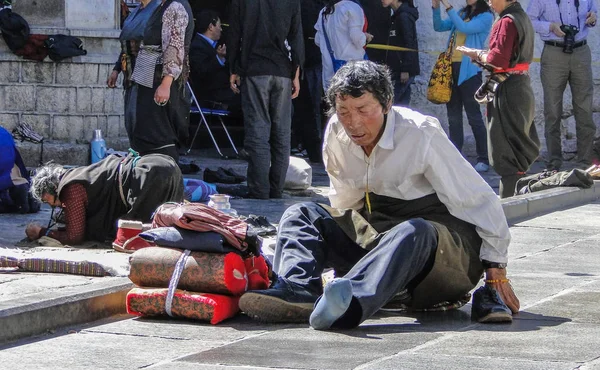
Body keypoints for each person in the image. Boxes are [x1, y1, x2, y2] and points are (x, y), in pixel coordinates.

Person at [239, 61, 519, 329]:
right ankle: (299, 290)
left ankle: (350, 304)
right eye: (344, 111)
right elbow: (345, 207)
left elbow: (478, 200)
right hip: (379, 239)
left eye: (363, 109)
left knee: (414, 231)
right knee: (301, 213)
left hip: (439, 255)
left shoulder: (420, 133)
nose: (353, 123)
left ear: (386, 105)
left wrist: (495, 271)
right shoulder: (337, 134)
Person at [457, 0, 540, 198]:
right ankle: (518, 198)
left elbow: (498, 60)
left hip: (508, 91)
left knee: (507, 146)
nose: (489, 2)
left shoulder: (507, 22)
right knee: (517, 143)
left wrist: (477, 53)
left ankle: (510, 202)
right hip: (520, 87)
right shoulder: (521, 17)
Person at [228, 0, 304, 199]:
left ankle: (259, 189)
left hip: (255, 69)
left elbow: (235, 33)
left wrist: (233, 68)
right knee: (282, 133)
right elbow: (296, 36)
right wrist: (296, 72)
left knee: (258, 132)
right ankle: (276, 188)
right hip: (282, 71)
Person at [25, 153, 184, 245]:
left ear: (50, 190)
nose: (54, 206)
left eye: (48, 201)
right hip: (165, 164)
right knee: (169, 222)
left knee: (146, 234)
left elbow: (75, 236)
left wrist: (42, 232)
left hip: (148, 177)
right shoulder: (76, 174)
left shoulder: (70, 188)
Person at [527, 0, 597, 171]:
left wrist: (593, 18)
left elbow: (594, 13)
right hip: (553, 52)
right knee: (552, 111)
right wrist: (550, 26)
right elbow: (529, 20)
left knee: (585, 110)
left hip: (581, 51)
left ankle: (585, 163)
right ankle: (554, 163)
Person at [128, 0, 194, 163]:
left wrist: (166, 83)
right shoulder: (149, 10)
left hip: (162, 81)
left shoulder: (174, 8)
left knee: (160, 135)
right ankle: (144, 177)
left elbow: (175, 47)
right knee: (144, 133)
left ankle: (164, 178)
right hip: (145, 78)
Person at [432, 0, 493, 172]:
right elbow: (439, 26)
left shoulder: (486, 16)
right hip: (451, 68)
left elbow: (465, 29)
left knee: (474, 116)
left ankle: (483, 158)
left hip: (470, 71)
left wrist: (448, 7)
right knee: (453, 115)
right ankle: (455, 155)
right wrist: (435, 7)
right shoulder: (462, 13)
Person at [107, 0, 161, 147]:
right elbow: (126, 46)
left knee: (140, 118)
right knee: (131, 118)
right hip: (130, 74)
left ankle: (144, 154)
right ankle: (137, 152)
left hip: (147, 72)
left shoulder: (157, 10)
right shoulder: (137, 12)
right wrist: (116, 70)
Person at [291, 0, 327, 163]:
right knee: (314, 108)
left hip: (309, 61)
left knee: (311, 108)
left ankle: (313, 147)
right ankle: (315, 148)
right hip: (314, 60)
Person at [314, 0, 373, 91]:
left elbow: (318, 40)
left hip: (330, 75)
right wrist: (365, 37)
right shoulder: (352, 7)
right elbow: (357, 39)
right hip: (354, 72)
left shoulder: (323, 12)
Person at [189, 10, 240, 113]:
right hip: (210, 95)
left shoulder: (215, 45)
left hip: (223, 91)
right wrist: (218, 58)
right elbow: (201, 72)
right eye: (219, 25)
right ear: (211, 27)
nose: (221, 29)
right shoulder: (197, 46)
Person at [381, 0, 420, 106]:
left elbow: (409, 43)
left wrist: (405, 69)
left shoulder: (404, 16)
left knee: (392, 105)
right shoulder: (396, 16)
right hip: (397, 70)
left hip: (402, 72)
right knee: (401, 107)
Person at [0, 127, 39, 214]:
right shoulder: (3, 131)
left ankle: (11, 202)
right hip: (11, 166)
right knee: (12, 175)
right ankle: (19, 184)